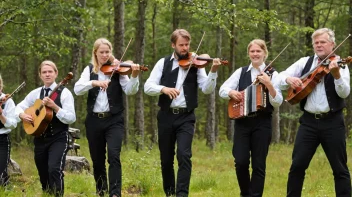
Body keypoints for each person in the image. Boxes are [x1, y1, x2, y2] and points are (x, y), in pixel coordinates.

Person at [144, 29, 221, 197]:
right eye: (181, 45)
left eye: (187, 45)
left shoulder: (196, 64)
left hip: (186, 116)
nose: (185, 48)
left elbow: (207, 89)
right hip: (165, 116)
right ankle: (170, 193)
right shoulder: (162, 63)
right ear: (173, 45)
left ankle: (182, 194)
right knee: (166, 160)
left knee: (184, 155)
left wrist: (213, 71)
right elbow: (148, 86)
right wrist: (163, 89)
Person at [278, 28, 351, 196]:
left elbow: (344, 93)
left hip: (333, 122)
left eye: (323, 42)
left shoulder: (340, 64)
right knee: (297, 166)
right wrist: (288, 79)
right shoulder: (305, 62)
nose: (319, 45)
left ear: (332, 44)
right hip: (308, 122)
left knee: (340, 168)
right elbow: (280, 78)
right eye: (316, 42)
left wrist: (337, 75)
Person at [74, 38, 140, 197]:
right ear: (95, 53)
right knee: (97, 160)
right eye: (101, 52)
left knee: (114, 155)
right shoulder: (89, 70)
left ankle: (115, 193)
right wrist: (94, 83)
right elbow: (77, 89)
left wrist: (135, 76)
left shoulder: (118, 70)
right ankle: (101, 191)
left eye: (107, 52)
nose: (104, 55)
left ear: (111, 53)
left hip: (114, 120)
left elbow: (130, 91)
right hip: (94, 121)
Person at [219, 39, 283, 197]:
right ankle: (245, 193)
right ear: (249, 53)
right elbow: (222, 89)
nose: (255, 54)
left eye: (258, 51)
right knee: (240, 161)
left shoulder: (272, 73)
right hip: (243, 122)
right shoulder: (241, 72)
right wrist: (230, 92)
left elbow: (278, 101)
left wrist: (269, 85)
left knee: (259, 165)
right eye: (252, 51)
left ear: (264, 53)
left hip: (262, 122)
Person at [15, 60, 76, 196]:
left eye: (50, 72)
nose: (47, 74)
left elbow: (71, 118)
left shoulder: (64, 93)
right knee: (43, 173)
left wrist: (55, 107)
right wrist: (22, 115)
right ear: (40, 75)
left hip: (59, 137)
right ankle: (47, 194)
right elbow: (18, 106)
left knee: (54, 169)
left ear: (56, 73)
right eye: (44, 72)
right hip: (40, 139)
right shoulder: (35, 93)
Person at [0, 74, 17, 186]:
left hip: (2, 140)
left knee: (0, 174)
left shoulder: (8, 102)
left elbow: (13, 124)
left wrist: (1, 115)